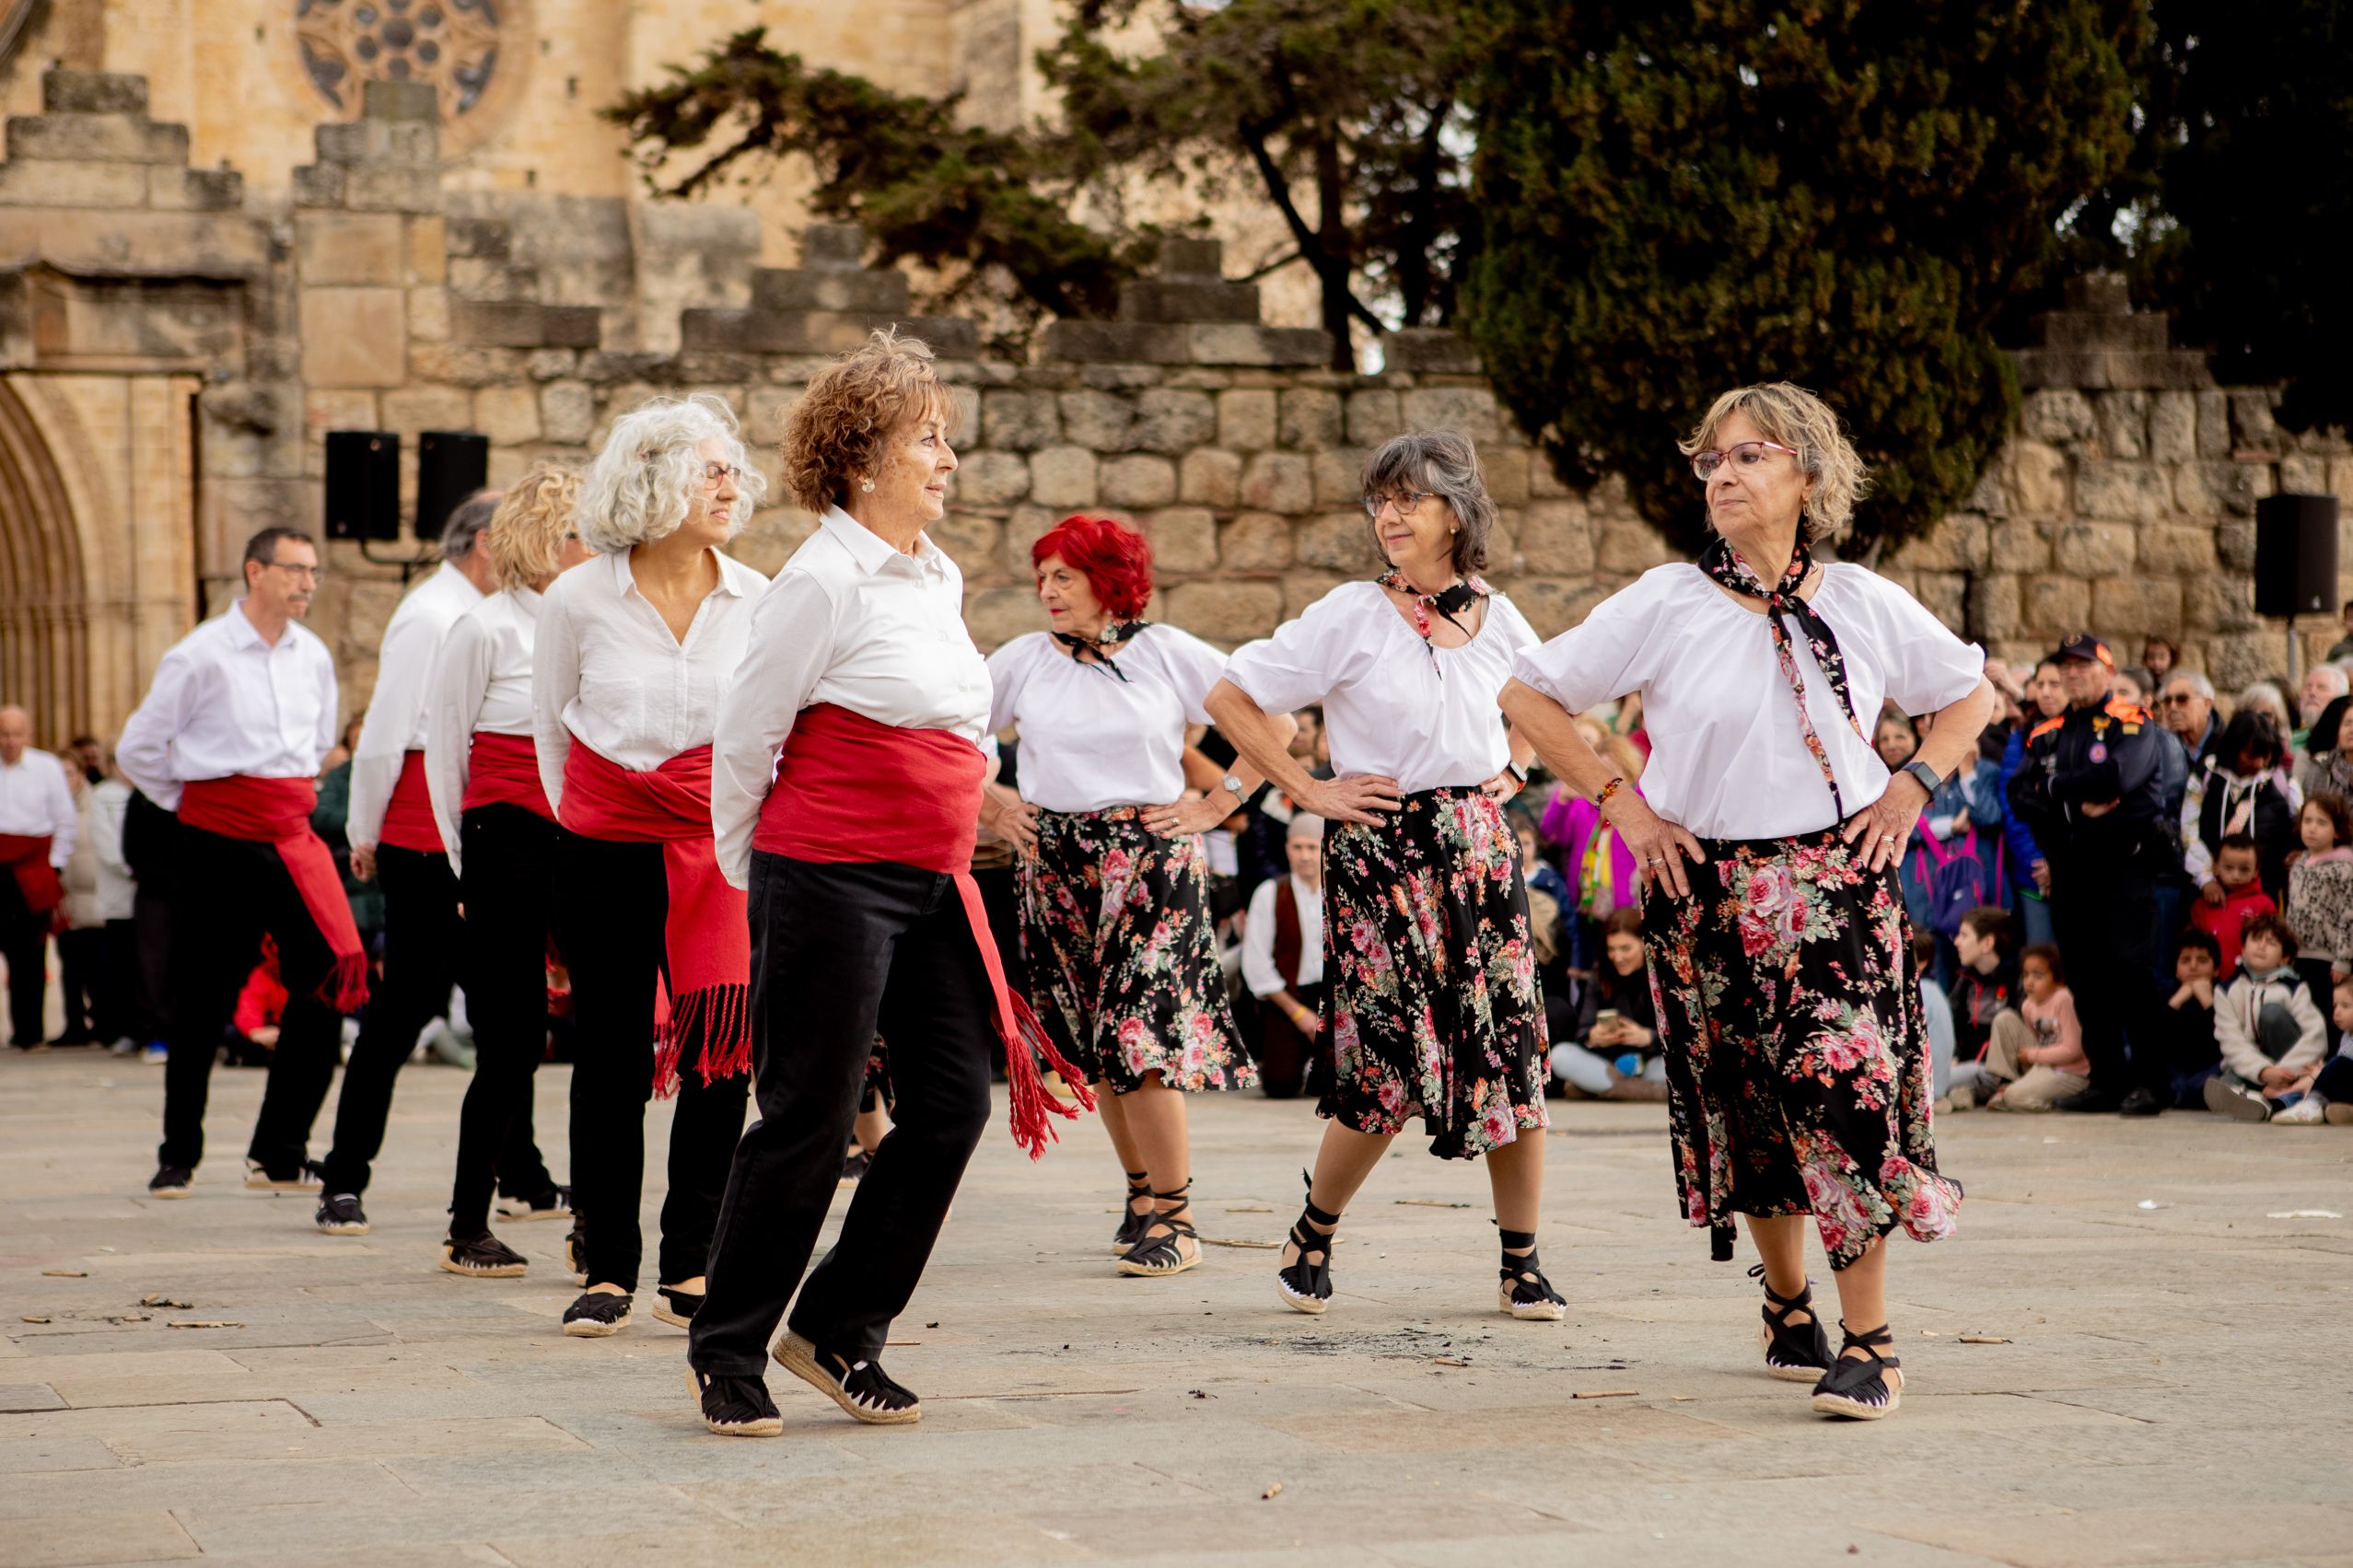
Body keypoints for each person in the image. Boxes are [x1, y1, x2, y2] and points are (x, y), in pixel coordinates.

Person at [1501, 381, 1989, 1420]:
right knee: (1752, 1110)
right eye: (1709, 460)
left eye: (1747, 456)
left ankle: (1869, 1339)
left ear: (1805, 475)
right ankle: (1782, 1298)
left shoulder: (1859, 598)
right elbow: (1526, 692)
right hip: (1703, 887)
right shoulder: (1665, 599)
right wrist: (1621, 807)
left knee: (1844, 1087)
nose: (1721, 475)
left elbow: (1968, 692)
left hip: (1836, 882)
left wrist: (1913, 784)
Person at [689, 329, 1083, 1435]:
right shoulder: (818, 579)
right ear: (863, 458)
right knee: (808, 1115)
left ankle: (836, 1326)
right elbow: (746, 734)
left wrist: (979, 791)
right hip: (824, 876)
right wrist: (750, 874)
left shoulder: (934, 573)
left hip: (931, 877)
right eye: (928, 438)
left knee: (953, 1102)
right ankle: (726, 1348)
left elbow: (945, 719)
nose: (947, 458)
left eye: (946, 437)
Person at [1206, 428, 1558, 1326]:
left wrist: (1509, 777)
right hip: (1380, 850)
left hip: (1478, 855)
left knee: (1507, 1053)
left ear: (1456, 508)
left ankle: (1520, 1261)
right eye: (1379, 500)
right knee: (1384, 1064)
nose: (1388, 514)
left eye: (1407, 496)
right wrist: (1305, 787)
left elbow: (1549, 707)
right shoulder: (1349, 614)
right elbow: (1228, 697)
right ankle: (1312, 1229)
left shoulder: (1497, 615)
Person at [534, 394, 766, 1338]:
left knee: (721, 1056)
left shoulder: (757, 596)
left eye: (730, 469)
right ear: (650, 477)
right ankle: (607, 1263)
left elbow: (768, 733)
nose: (730, 483)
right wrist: (589, 819)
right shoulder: (576, 597)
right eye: (709, 467)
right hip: (603, 841)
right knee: (610, 1056)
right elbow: (552, 734)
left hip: (721, 848)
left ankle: (693, 1256)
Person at [984, 513, 1262, 1277]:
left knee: (1139, 1038)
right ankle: (1141, 1197)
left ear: (1107, 579)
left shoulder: (1169, 651)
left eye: (1061, 576)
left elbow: (1271, 720)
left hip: (1153, 863)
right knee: (1102, 1048)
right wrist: (996, 802)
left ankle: (1177, 1214)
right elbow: (950, 733)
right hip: (1058, 868)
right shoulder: (1022, 660)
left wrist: (1217, 803)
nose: (1046, 590)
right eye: (1040, 577)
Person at [314, 492, 538, 1237]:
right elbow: (385, 731)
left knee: (508, 1011)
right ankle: (344, 1175)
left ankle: (521, 1172)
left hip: (474, 831)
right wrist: (364, 825)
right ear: (484, 543)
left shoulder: (496, 615)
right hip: (426, 835)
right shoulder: (433, 615)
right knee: (405, 1008)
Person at [116, 527, 359, 1197]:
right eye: (295, 570)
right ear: (256, 570)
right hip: (218, 840)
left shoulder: (312, 655)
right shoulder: (200, 654)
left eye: (313, 571)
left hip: (290, 836)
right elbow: (137, 748)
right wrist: (196, 804)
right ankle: (178, 1153)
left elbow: (313, 750)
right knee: (203, 996)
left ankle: (279, 1148)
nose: (308, 582)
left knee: (325, 981)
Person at [423, 463, 596, 1277]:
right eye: (574, 533)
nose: (589, 546)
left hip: (580, 838)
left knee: (599, 1032)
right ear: (539, 539)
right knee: (510, 1039)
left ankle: (594, 1220)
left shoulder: (590, 624)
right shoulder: (485, 627)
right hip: (504, 843)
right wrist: (466, 870)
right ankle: (467, 1222)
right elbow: (445, 752)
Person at [2008, 633, 2182, 1116]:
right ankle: (2106, 1078)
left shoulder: (2130, 720)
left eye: (2083, 666)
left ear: (2106, 669)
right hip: (2071, 872)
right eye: (2066, 667)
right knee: (2086, 977)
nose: (2072, 674)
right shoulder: (2048, 731)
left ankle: (2152, 1080)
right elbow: (2021, 794)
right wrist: (2070, 799)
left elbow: (2119, 781)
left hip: (2125, 867)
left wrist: (2055, 789)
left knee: (2131, 972)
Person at [2203, 912, 2328, 1121]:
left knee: (2271, 1013)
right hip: (2254, 1068)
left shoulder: (2295, 988)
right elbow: (2231, 1041)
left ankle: (2277, 1095)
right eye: (2255, 940)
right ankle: (2263, 1100)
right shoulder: (2226, 990)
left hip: (2289, 1064)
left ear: (2284, 957)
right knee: (2225, 1081)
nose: (2261, 946)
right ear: (2242, 948)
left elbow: (2316, 1035)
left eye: (2270, 943)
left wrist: (2282, 1071)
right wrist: (2264, 1071)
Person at [0, 704, 76, 1050]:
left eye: (16, 734)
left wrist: (55, 864)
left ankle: (30, 1032)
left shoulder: (46, 768)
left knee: (30, 953)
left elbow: (64, 818)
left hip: (32, 868)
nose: (10, 742)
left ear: (28, 735)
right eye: (4, 734)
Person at [1241, 812, 1328, 1101]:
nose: (1304, 856)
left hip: (1333, 999)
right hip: (1290, 998)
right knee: (1279, 1084)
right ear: (1287, 848)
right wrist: (1300, 1014)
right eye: (1297, 847)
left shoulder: (1338, 891)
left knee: (1347, 1083)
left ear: (1324, 847)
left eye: (1312, 847)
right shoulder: (1270, 893)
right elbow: (1256, 964)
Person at [2183, 709, 2301, 904]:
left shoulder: (2282, 782)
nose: (2260, 763)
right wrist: (2205, 880)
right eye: (2252, 756)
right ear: (2234, 748)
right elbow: (2189, 830)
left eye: (2266, 756)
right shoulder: (2206, 775)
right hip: (2212, 892)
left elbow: (2300, 825)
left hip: (2263, 894)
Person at [1550, 907, 1666, 1100]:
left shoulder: (1662, 976)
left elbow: (1679, 1034)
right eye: (1611, 949)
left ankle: (1599, 1090)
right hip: (1610, 1064)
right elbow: (1583, 1030)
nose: (1617, 957)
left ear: (1645, 943)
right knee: (1561, 1055)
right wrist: (1594, 1036)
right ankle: (1652, 1093)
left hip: (1652, 1062)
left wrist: (1648, 1037)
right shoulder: (1600, 976)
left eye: (1626, 948)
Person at [1964, 944, 2090, 1111]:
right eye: (2025, 975)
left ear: (2057, 979)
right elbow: (2034, 1041)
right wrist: (2033, 1058)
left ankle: (2047, 1100)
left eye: (2038, 976)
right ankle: (2006, 1081)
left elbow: (2074, 1049)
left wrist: (2033, 1055)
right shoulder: (2028, 1006)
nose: (2029, 982)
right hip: (2042, 1065)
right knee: (2004, 1018)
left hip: (2069, 1073)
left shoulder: (2063, 999)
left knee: (2014, 1097)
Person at [1998, 661, 2068, 947]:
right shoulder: (2023, 737)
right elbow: (2010, 803)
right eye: (2040, 684)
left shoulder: (2087, 733)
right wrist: (2036, 861)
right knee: (2040, 956)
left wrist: (2059, 864)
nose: (2046, 692)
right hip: (2034, 872)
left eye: (2055, 684)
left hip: (2075, 868)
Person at [87, 752, 137, 1053]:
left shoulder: (149, 792)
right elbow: (107, 847)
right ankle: (124, 1028)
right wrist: (139, 867)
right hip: (119, 898)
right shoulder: (104, 796)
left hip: (149, 897)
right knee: (121, 968)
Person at [2285, 793, 2353, 1002]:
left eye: (2322, 823)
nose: (2312, 828)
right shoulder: (2297, 865)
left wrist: (2343, 960)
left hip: (2327, 960)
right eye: (2307, 821)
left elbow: (2349, 916)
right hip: (2297, 956)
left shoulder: (2344, 868)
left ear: (2338, 831)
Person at [1944, 905, 2018, 1087]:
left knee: (1937, 1080)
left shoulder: (2016, 979)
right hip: (1966, 1066)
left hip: (1996, 1072)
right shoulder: (1965, 980)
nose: (1957, 942)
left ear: (1987, 943)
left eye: (1964, 935)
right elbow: (1953, 1022)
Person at [2267, 973, 2353, 1123]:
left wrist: (2320, 1072)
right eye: (2335, 1006)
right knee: (2317, 1077)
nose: (2337, 1012)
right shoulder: (2346, 1035)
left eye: (2345, 1006)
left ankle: (2311, 1105)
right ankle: (2278, 1103)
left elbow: (2343, 1065)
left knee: (2337, 1065)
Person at [2188, 834, 2276, 981]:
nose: (2236, 876)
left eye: (2244, 870)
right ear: (2215, 867)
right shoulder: (2202, 906)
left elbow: (2273, 945)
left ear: (2256, 870)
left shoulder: (2263, 904)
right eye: (2228, 868)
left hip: (2250, 983)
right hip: (2208, 983)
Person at [2158, 929, 2222, 1108]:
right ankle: (2185, 1094)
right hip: (2174, 1069)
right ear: (2176, 970)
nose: (2193, 966)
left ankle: (2179, 1094)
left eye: (2202, 961)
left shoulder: (2224, 993)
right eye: (2185, 961)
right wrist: (2175, 1003)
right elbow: (2155, 1040)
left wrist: (2208, 1003)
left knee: (2227, 1068)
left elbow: (2227, 1040)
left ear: (2216, 970)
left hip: (2209, 1068)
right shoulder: (2166, 992)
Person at [2158, 671, 2222, 771]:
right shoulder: (2160, 746)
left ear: (2207, 704)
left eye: (2182, 699)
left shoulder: (2228, 745)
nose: (2172, 707)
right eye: (2167, 701)